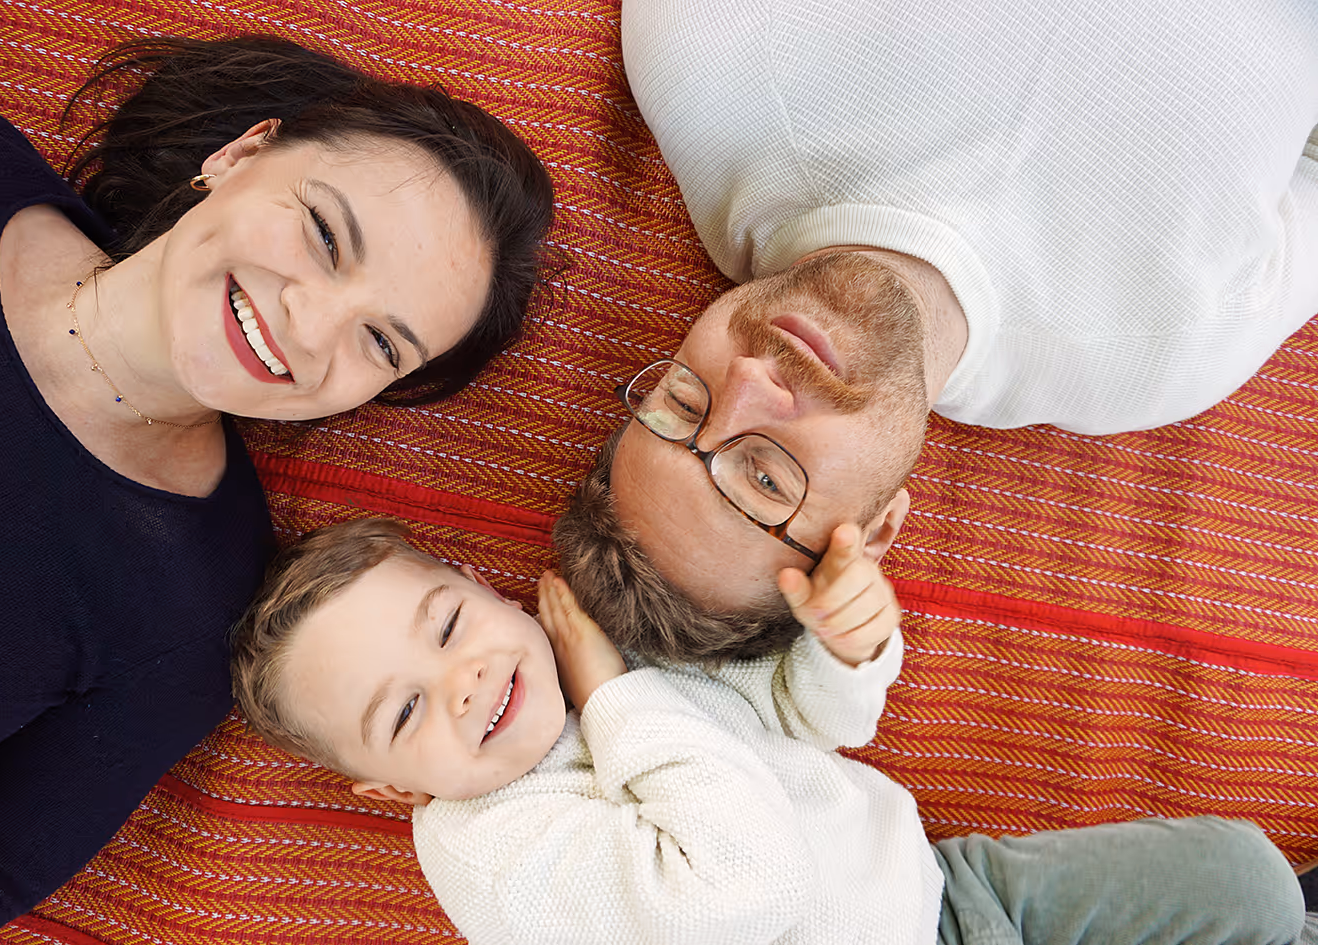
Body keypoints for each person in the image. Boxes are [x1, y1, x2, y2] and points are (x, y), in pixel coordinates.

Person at [0, 34, 553, 944]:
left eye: (381, 343)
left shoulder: (187, 615)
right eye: (326, 234)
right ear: (240, 154)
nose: (311, 322)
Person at [552, 0, 1318, 662]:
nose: (749, 383)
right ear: (877, 530)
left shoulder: (706, 60)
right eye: (764, 478)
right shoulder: (1162, 355)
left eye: (682, 406)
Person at [229, 516, 1312, 945]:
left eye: (446, 624)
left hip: (948, 897)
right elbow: (742, 892)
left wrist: (844, 646)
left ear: (486, 586)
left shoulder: (622, 655)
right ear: (391, 789)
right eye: (406, 711)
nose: (459, 681)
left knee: (1242, 879)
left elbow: (802, 725)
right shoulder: (490, 854)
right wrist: (609, 694)